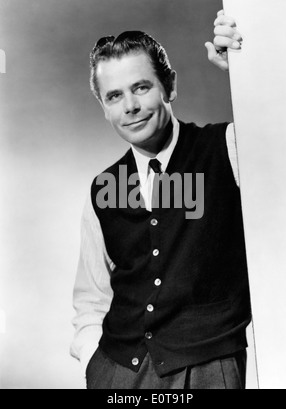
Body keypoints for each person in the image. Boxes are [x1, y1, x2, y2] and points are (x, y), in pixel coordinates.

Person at [71, 10, 251, 390]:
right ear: (104, 108)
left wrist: (245, 72)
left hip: (208, 366)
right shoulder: (102, 188)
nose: (130, 107)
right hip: (118, 373)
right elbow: (92, 295)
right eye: (114, 96)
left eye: (141, 87)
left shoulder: (229, 149)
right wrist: (93, 363)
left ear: (169, 86)